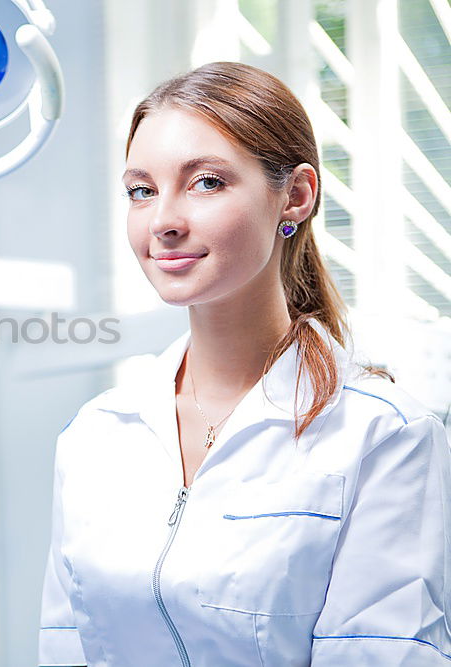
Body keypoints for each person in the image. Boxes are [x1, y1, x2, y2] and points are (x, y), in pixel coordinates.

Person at [38, 61, 451, 666]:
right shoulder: (96, 435)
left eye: (206, 182)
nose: (164, 222)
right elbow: (63, 646)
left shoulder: (382, 436)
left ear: (297, 195)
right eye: (141, 190)